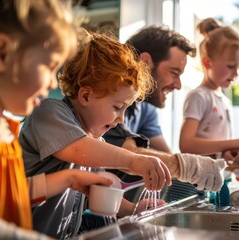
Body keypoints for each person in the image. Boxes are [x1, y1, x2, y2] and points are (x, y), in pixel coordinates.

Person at [0, 1, 115, 239]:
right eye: (49, 67)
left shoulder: (4, 132)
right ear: (2, 54)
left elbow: (14, 195)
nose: (52, 83)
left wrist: (71, 178)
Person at [18, 29, 176, 239]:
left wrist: (134, 209)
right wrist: (134, 161)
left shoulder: (95, 142)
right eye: (117, 107)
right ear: (86, 95)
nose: (121, 118)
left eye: (126, 109)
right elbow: (78, 149)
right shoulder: (49, 113)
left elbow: (99, 192)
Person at [102, 25, 239, 202]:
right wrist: (189, 167)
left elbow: (168, 160)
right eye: (174, 73)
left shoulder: (146, 109)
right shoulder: (107, 97)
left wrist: (221, 166)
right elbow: (128, 154)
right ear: (145, 62)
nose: (178, 85)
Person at [178, 18, 239, 205]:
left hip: (214, 185)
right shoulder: (199, 96)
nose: (236, 73)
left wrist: (236, 155)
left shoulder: (224, 101)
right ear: (207, 62)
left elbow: (216, 152)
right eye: (230, 66)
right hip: (194, 190)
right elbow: (186, 144)